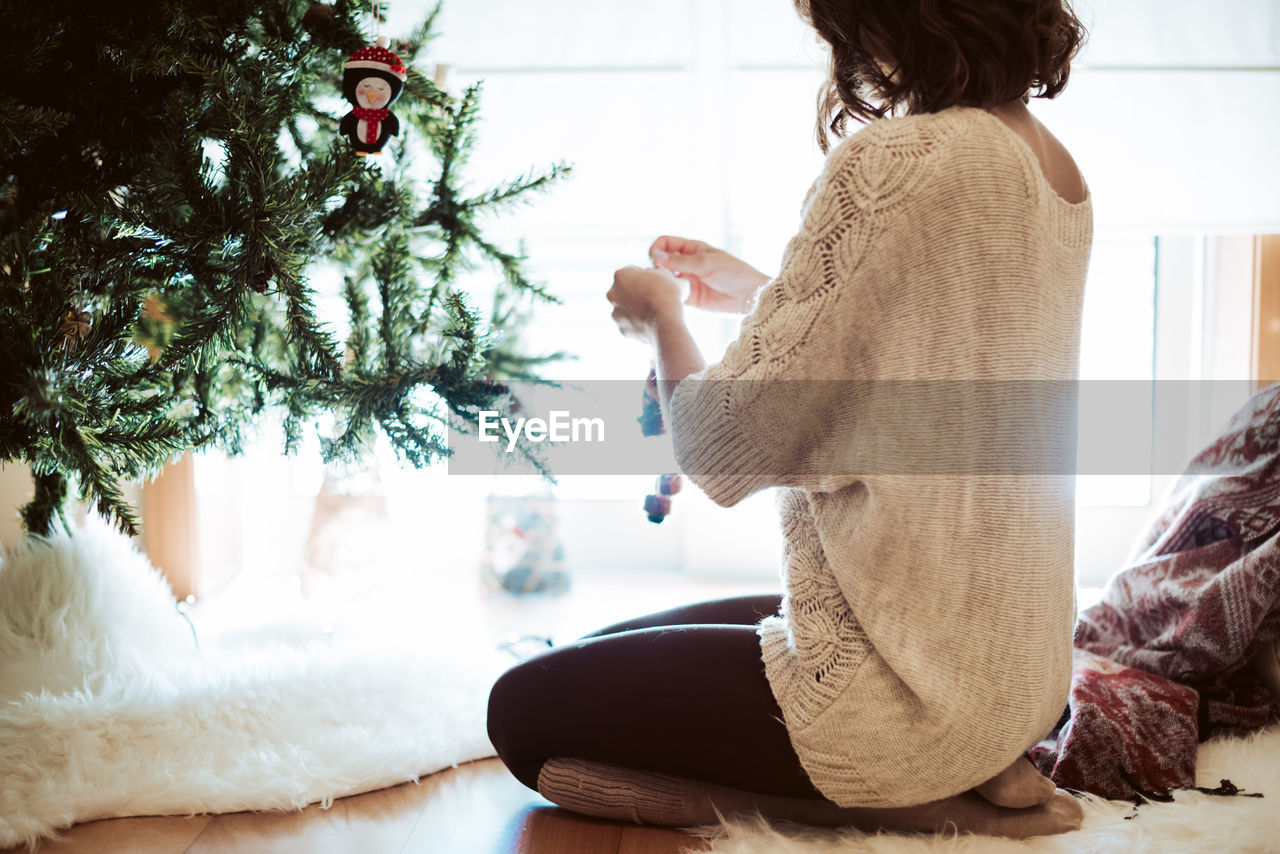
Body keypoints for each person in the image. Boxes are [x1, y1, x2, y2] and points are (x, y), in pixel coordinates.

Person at [487, 0, 1092, 838]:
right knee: (595, 646)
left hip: (910, 699)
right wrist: (755, 291)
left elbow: (721, 447)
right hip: (1009, 677)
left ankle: (910, 802)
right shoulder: (1046, 164)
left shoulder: (901, 159)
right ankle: (978, 768)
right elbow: (911, 349)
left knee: (520, 713)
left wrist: (659, 318)